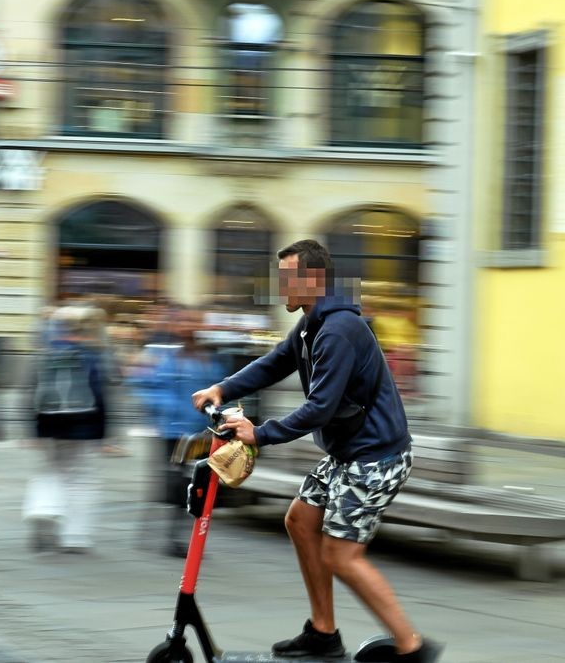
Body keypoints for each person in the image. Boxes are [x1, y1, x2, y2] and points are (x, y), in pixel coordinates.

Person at [191, 239, 442, 662]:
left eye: (287, 278)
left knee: (341, 554)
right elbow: (275, 362)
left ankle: (413, 647)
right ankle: (324, 633)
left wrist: (260, 434)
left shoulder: (339, 330)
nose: (280, 287)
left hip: (375, 457)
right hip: (350, 453)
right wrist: (222, 387)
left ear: (314, 278)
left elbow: (320, 407)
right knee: (301, 520)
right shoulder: (312, 323)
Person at [23, 306, 108, 554]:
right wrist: (103, 432)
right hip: (84, 425)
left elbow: (31, 393)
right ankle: (76, 535)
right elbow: (99, 395)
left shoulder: (46, 355)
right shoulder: (91, 356)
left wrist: (34, 431)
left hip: (50, 424)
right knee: (82, 479)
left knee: (50, 470)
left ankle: (42, 508)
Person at [142, 309, 223, 557]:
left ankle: (186, 536)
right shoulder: (164, 356)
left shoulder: (209, 359)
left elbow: (221, 391)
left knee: (199, 483)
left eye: (194, 320)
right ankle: (174, 537)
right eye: (183, 320)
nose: (188, 325)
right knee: (177, 482)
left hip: (200, 433)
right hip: (173, 432)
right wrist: (165, 409)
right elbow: (149, 387)